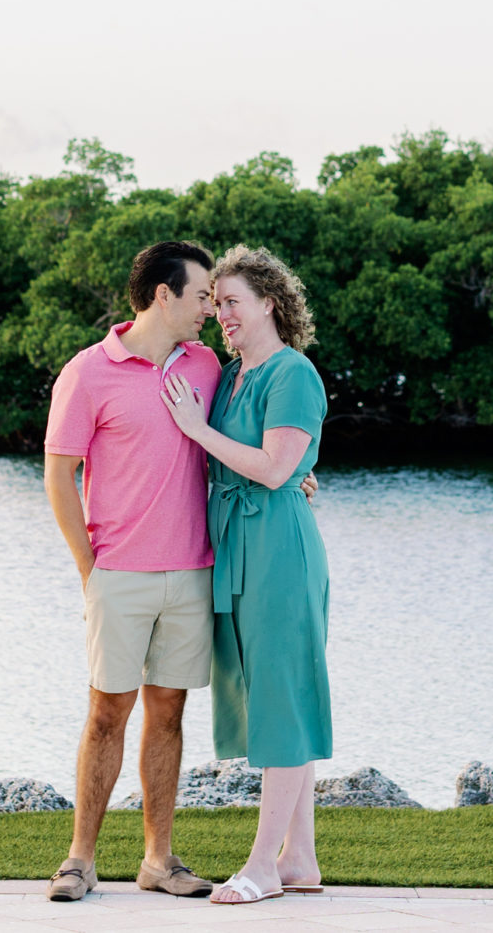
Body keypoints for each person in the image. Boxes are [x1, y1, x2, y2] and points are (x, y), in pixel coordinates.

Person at [42, 240, 225, 903]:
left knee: (168, 715)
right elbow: (59, 474)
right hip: (118, 575)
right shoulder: (88, 371)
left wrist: (299, 470)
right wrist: (90, 569)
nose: (210, 307)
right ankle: (79, 861)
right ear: (163, 294)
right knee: (105, 715)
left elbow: (247, 433)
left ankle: (158, 859)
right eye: (202, 294)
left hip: (192, 572)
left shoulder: (206, 366)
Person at [162, 243, 332, 906]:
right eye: (216, 302)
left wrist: (196, 430)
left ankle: (263, 864)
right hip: (239, 547)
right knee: (272, 695)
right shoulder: (233, 375)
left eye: (232, 301)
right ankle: (301, 860)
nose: (221, 313)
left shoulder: (292, 372)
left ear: (269, 302)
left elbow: (269, 467)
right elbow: (280, 465)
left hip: (279, 554)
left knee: (282, 701)